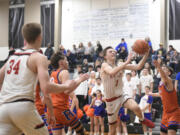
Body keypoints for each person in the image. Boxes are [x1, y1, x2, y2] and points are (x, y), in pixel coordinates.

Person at [0, 23, 87, 135]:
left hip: (4, 108)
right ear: (40, 37)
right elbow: (46, 89)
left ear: (24, 38)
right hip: (23, 106)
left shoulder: (13, 57)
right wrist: (66, 86)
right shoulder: (39, 57)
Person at [100, 46, 154, 135]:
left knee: (136, 107)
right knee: (112, 130)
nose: (113, 52)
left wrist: (146, 54)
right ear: (105, 56)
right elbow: (112, 72)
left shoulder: (120, 64)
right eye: (110, 51)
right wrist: (126, 62)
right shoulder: (104, 65)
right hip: (111, 100)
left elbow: (138, 66)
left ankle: (142, 119)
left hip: (121, 95)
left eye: (114, 51)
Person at [50, 51, 89, 135]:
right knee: (80, 130)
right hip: (61, 109)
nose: (68, 62)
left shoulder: (53, 74)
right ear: (61, 63)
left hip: (52, 109)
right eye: (66, 60)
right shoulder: (64, 72)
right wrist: (80, 80)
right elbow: (67, 90)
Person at [149, 60, 180, 135]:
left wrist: (159, 67)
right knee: (162, 133)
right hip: (165, 113)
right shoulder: (161, 84)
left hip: (174, 113)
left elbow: (164, 77)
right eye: (162, 68)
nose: (162, 70)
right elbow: (161, 94)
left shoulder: (169, 81)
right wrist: (151, 94)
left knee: (171, 132)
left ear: (169, 73)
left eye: (165, 69)